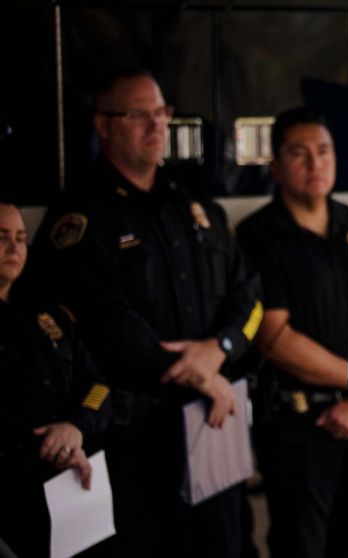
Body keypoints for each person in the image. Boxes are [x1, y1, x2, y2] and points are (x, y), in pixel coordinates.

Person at [32, 69, 262, 557]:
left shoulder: (194, 206)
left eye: (161, 112)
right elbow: (104, 319)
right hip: (134, 437)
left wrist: (219, 350)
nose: (156, 125)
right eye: (139, 115)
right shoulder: (81, 216)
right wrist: (200, 376)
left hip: (213, 425)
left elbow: (250, 296)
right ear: (103, 125)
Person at [236, 107, 348, 557]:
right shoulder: (257, 236)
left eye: (323, 152)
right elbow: (274, 338)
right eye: (299, 154)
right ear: (276, 167)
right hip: (298, 426)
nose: (315, 165)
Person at [0, 202, 110, 558]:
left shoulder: (47, 315)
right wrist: (53, 446)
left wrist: (75, 428)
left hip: (69, 491)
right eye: (1, 238)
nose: (14, 248)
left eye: (20, 238)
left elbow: (98, 386)